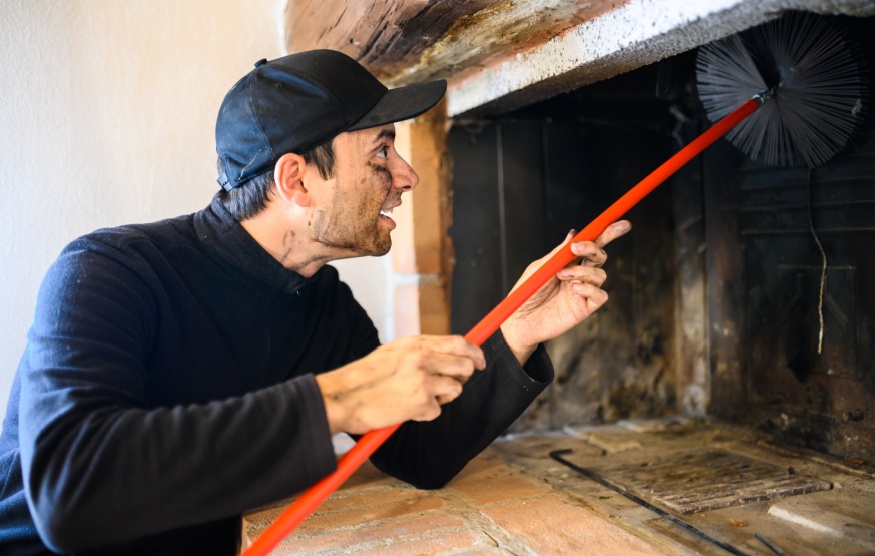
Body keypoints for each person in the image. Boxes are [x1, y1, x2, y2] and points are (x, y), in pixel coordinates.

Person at [0, 49, 631, 554]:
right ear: (296, 180)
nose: (406, 175)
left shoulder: (322, 304)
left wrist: (518, 331)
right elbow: (70, 494)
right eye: (382, 150)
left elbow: (417, 451)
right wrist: (344, 394)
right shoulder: (108, 272)